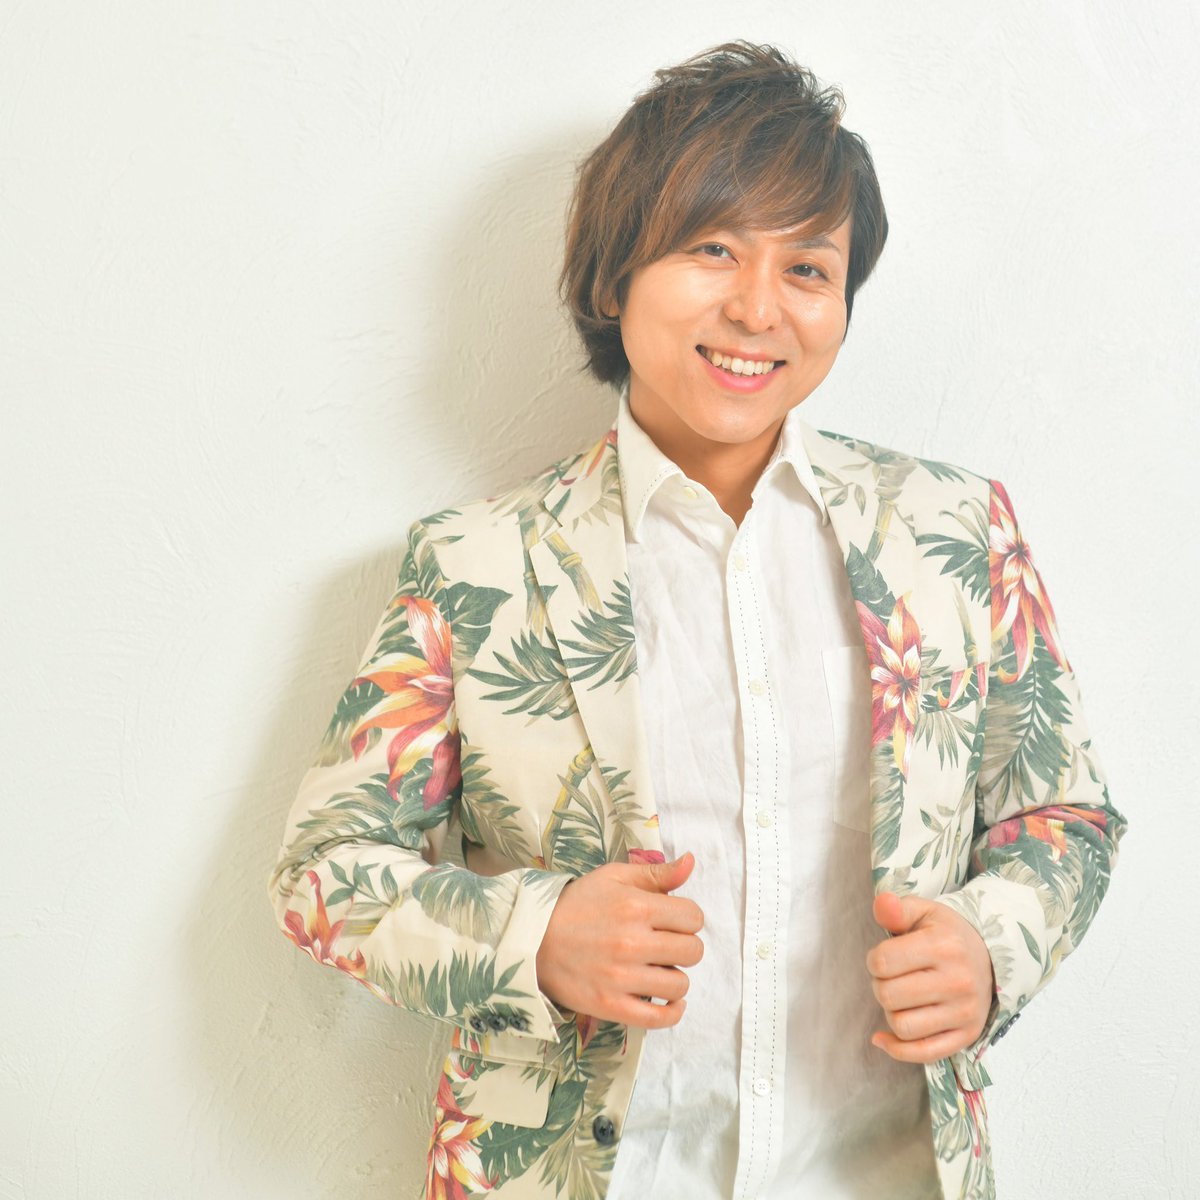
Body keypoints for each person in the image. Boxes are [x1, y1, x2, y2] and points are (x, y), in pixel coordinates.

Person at [268, 41, 1126, 1200]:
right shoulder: (475, 564)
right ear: (615, 275)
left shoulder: (958, 534)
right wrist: (536, 938)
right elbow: (324, 871)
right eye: (713, 248)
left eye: (808, 267)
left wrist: (991, 944)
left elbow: (1065, 816)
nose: (758, 307)